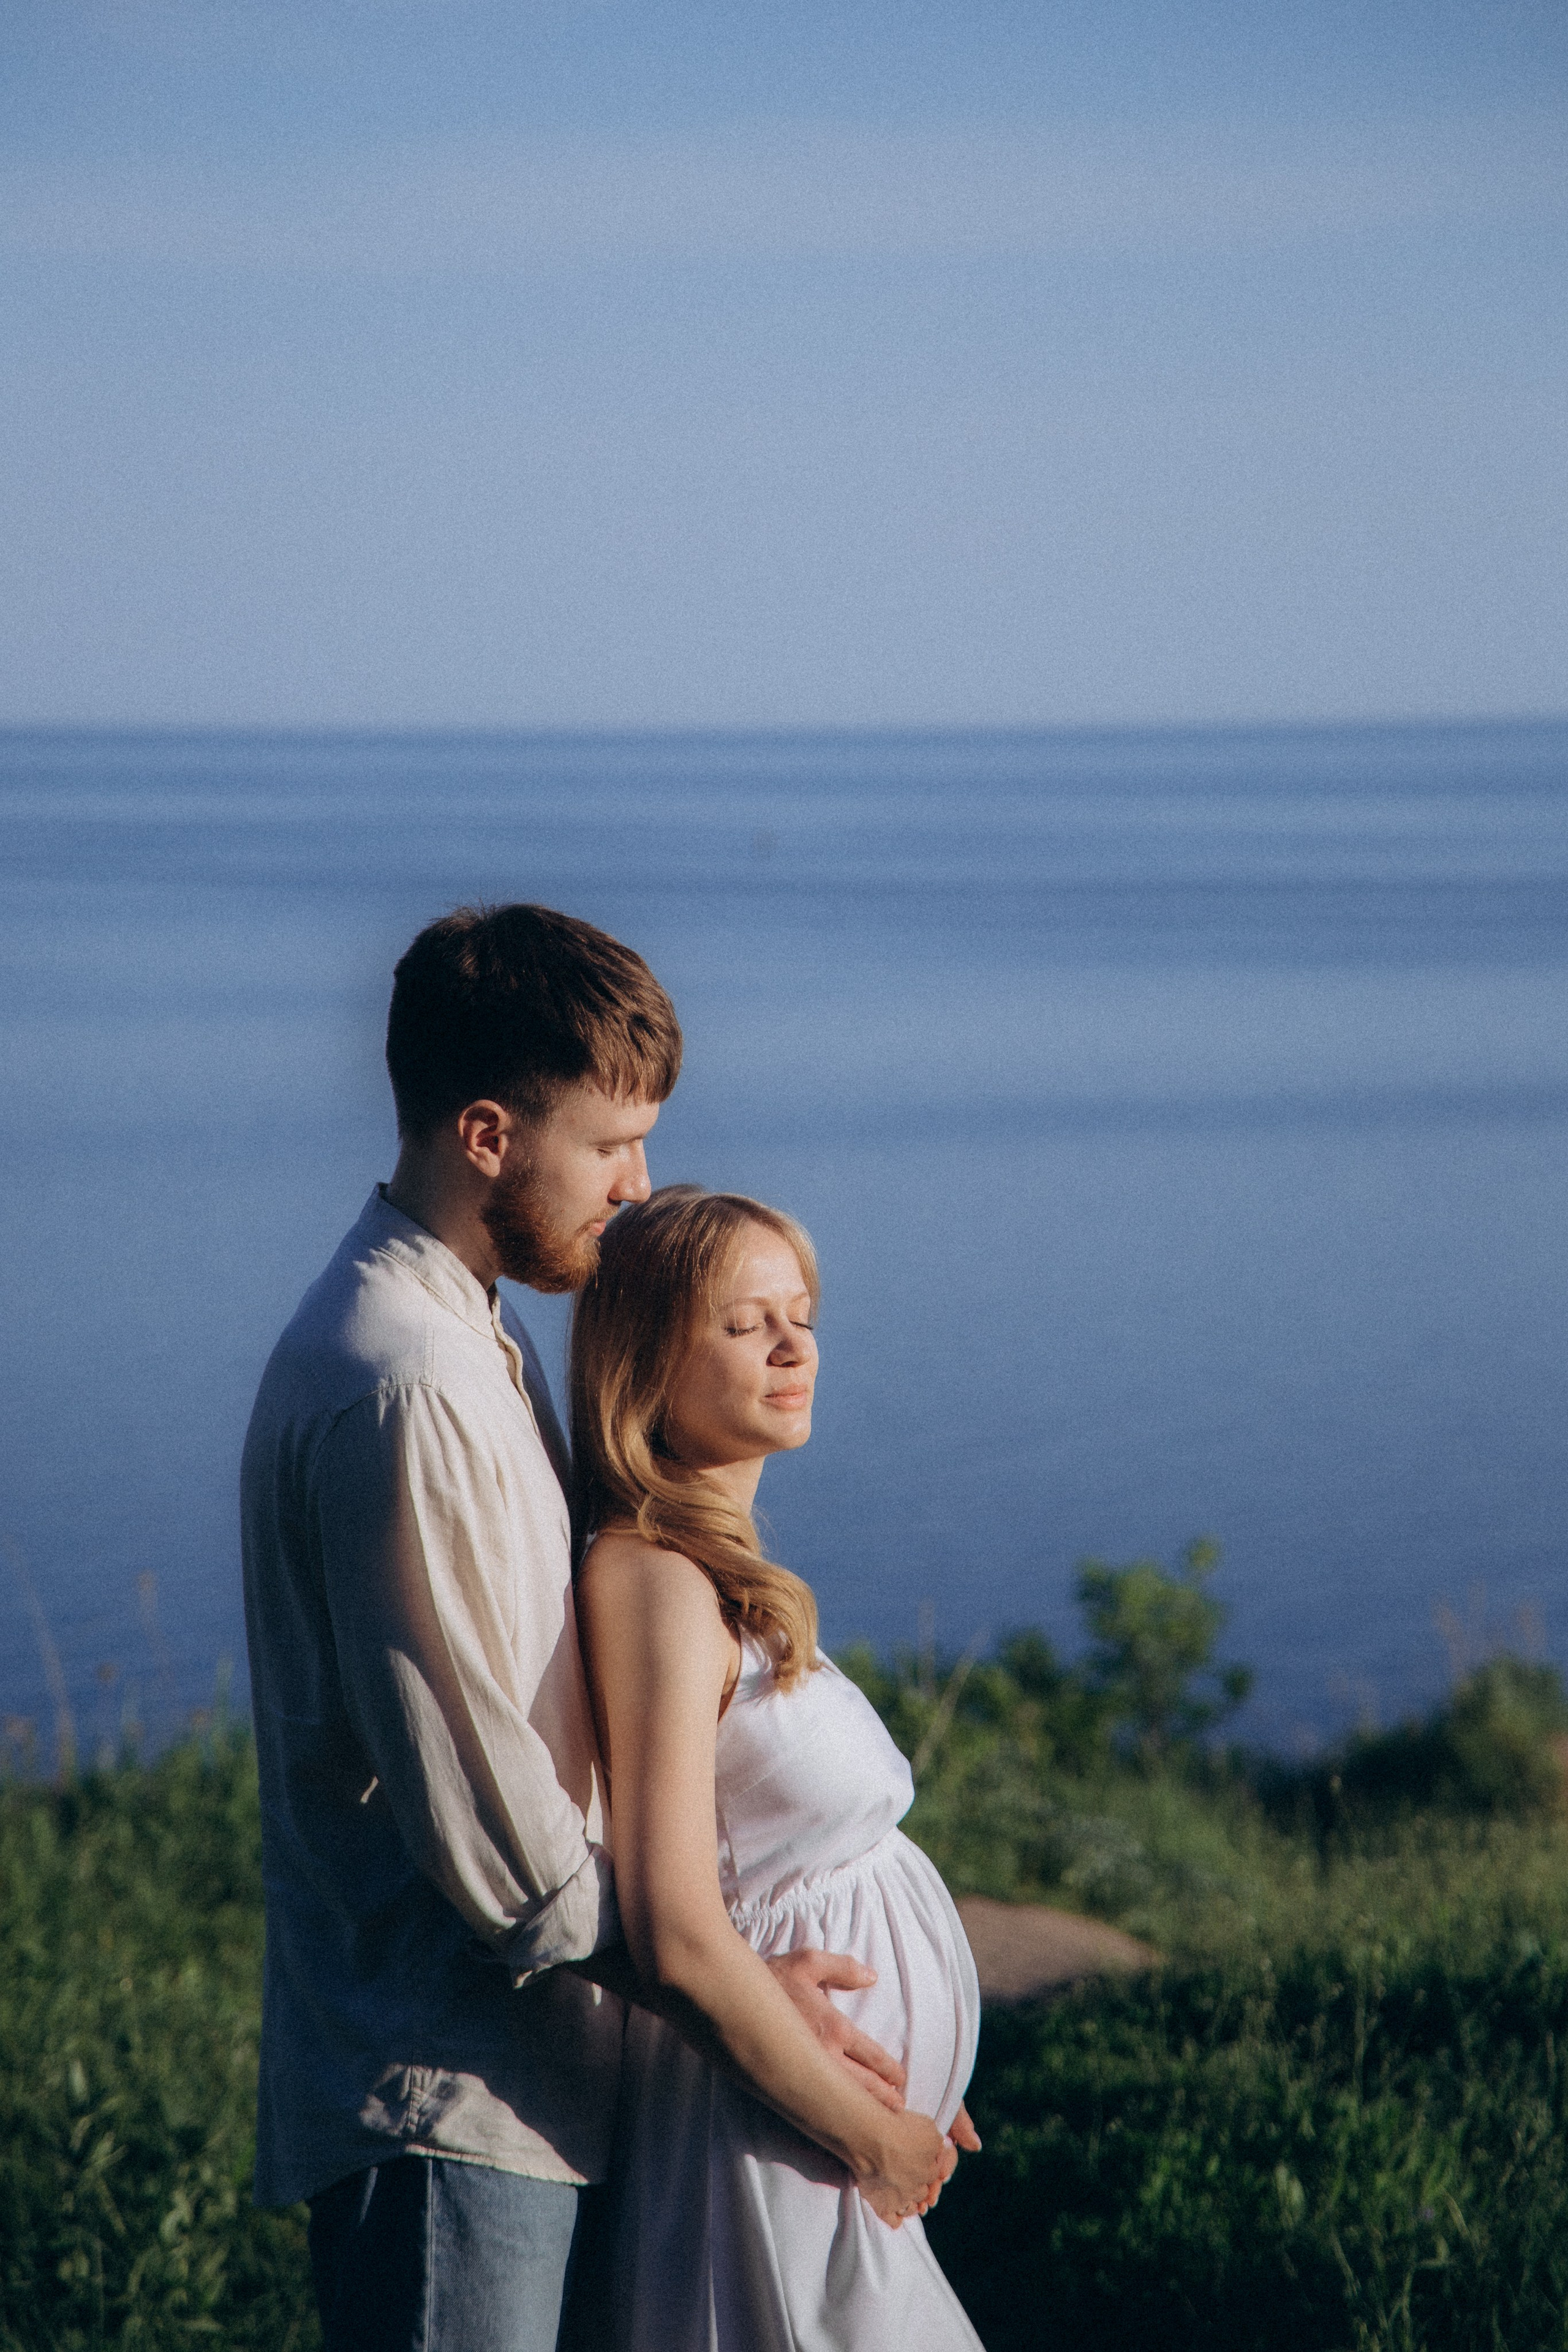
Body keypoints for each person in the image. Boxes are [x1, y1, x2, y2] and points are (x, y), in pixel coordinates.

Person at [241, 904, 914, 2352]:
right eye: (612, 1147)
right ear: (486, 1133)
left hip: (527, 2086)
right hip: (448, 2100)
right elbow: (502, 1843)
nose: (638, 1186)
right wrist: (744, 2007)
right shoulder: (407, 1380)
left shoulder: (466, 1334)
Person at [567, 1183, 985, 2350]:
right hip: (766, 2146)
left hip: (813, 2127)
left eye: (800, 1315)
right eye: (746, 1325)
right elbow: (678, 1936)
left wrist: (917, 2077)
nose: (796, 1347)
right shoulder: (655, 1582)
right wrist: (871, 2134)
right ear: (647, 1364)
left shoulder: (713, 1570)